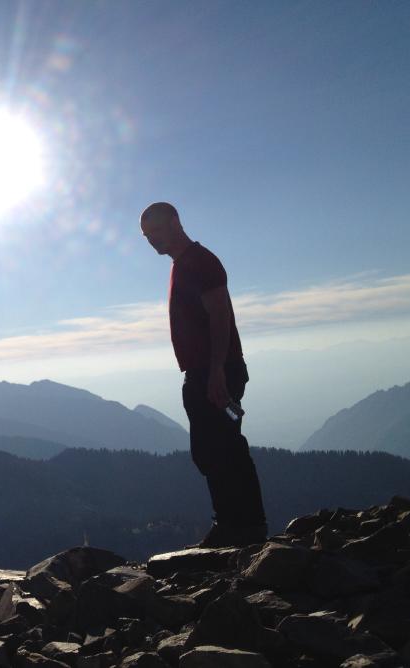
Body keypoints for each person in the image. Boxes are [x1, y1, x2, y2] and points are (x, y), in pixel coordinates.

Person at [139, 202, 267, 547]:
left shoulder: (200, 262)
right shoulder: (184, 265)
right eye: (147, 236)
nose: (152, 240)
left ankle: (241, 527)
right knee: (214, 448)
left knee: (222, 447)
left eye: (157, 231)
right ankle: (237, 524)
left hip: (215, 370)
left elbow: (220, 316)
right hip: (205, 370)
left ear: (176, 223)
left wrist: (215, 373)